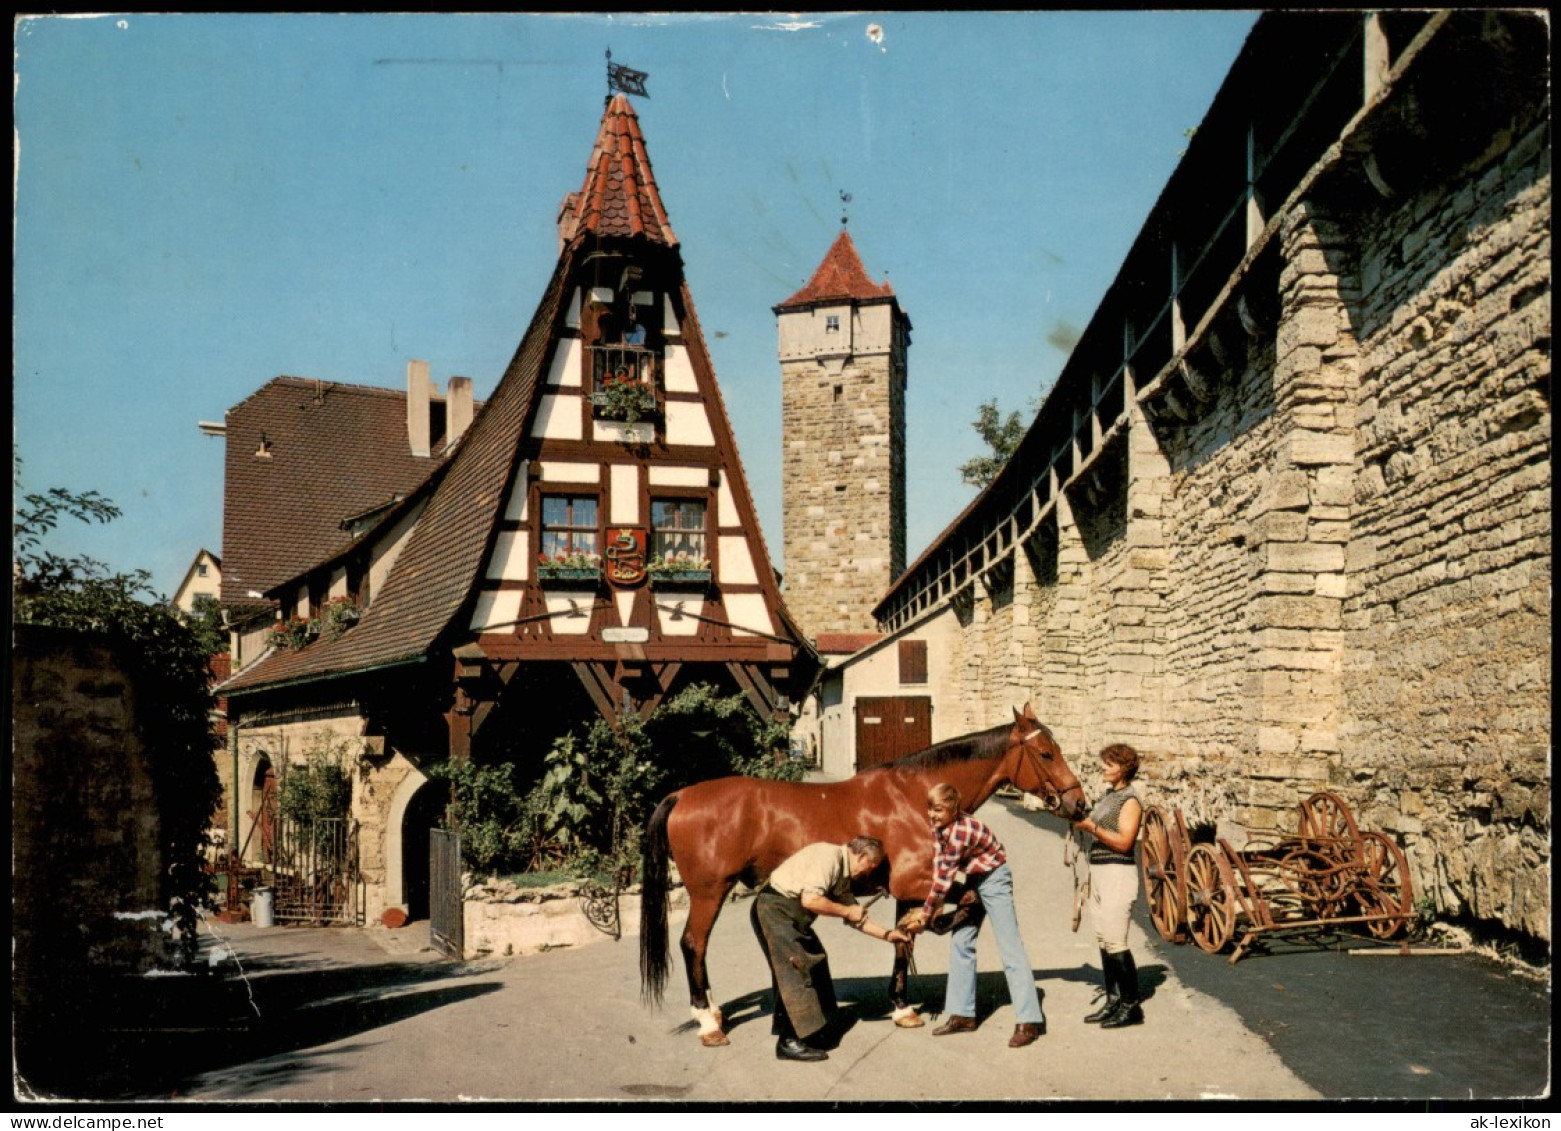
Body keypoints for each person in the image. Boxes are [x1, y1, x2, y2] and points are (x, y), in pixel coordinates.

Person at [906, 783, 1047, 1048]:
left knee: (1010, 946)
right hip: (974, 878)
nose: (932, 815)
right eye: (930, 809)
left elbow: (942, 880)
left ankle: (1029, 1021)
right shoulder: (941, 827)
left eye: (938, 810)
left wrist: (924, 917)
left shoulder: (960, 831)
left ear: (953, 809)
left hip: (994, 878)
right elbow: (939, 869)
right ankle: (962, 1015)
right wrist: (931, 910)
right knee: (962, 940)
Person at [751, 836, 910, 1062]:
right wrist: (846, 912)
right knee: (795, 970)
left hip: (791, 917)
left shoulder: (843, 873)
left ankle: (818, 1027)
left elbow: (856, 917)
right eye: (870, 867)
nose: (868, 874)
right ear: (862, 856)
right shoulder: (828, 857)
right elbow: (811, 900)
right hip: (773, 909)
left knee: (817, 962)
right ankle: (788, 1042)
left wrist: (888, 935)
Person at [1072, 743, 1145, 1028]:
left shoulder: (1130, 800)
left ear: (1124, 769)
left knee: (1116, 940)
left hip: (1117, 873)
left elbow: (1125, 843)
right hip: (1099, 873)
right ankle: (1113, 1000)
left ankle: (1131, 1006)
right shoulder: (1108, 796)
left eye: (1109, 764)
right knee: (1104, 939)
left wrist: (1092, 828)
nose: (1103, 768)